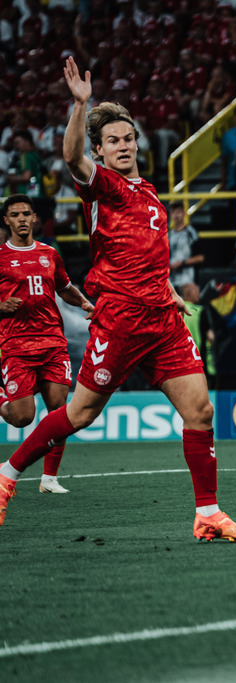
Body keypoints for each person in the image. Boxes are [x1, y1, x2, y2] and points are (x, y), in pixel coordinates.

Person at [0, 58, 236, 541]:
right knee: (79, 414)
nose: (123, 146)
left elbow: (147, 256)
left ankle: (208, 514)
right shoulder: (102, 187)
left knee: (200, 411)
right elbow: (72, 155)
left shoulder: (152, 197)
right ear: (100, 151)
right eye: (113, 141)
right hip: (118, 320)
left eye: (128, 139)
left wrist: (167, 292)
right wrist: (80, 105)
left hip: (162, 320)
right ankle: (7, 475)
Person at [0, 195, 93, 495]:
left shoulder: (49, 254)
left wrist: (84, 303)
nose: (22, 219)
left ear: (35, 218)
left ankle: (49, 479)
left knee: (59, 411)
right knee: (23, 417)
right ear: (7, 221)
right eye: (15, 215)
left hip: (53, 341)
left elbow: (64, 288)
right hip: (16, 344)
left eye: (27, 213)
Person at [168, 202, 204, 288]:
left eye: (178, 212)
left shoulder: (191, 233)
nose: (176, 215)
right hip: (172, 279)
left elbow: (200, 258)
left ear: (184, 213)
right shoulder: (169, 235)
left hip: (188, 279)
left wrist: (182, 263)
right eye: (173, 212)